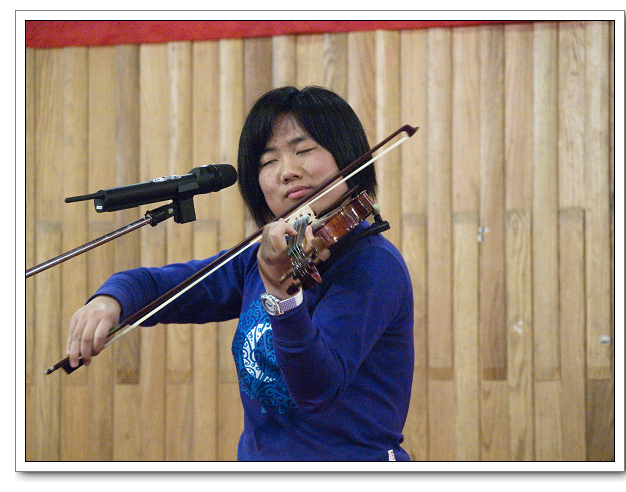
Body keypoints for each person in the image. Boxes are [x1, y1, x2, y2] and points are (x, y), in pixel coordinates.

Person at [66, 86, 414, 461]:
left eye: (304, 150)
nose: (287, 171)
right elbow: (164, 287)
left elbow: (316, 389)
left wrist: (282, 297)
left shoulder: (372, 266)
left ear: (346, 153)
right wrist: (109, 301)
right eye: (268, 161)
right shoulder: (262, 257)